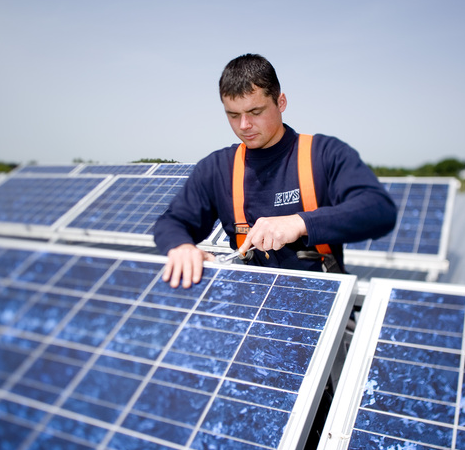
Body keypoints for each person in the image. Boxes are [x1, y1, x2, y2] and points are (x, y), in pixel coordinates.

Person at [153, 53, 397, 288]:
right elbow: (172, 222)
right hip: (250, 310)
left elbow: (380, 210)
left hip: (321, 309)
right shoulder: (217, 168)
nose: (244, 126)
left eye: (255, 112)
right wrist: (181, 247)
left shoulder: (324, 154)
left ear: (281, 102)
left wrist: (301, 222)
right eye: (233, 115)